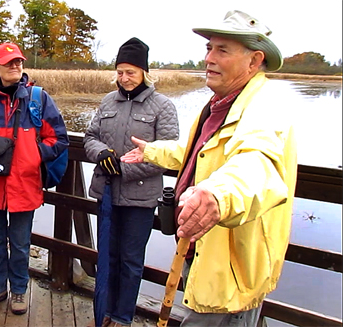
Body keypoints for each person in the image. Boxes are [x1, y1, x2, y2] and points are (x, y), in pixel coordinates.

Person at [121, 10, 297, 326]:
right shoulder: (221, 103)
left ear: (255, 61)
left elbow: (258, 164)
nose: (209, 59)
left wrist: (218, 195)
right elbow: (199, 154)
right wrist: (152, 151)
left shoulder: (265, 106)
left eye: (222, 50)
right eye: (208, 48)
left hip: (230, 268)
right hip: (205, 253)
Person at [0, 42, 69, 315]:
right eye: (8, 62)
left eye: (18, 61)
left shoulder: (37, 98)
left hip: (25, 186)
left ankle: (19, 291)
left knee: (20, 245)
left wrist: (32, 153)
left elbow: (59, 137)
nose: (15, 66)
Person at [84, 37, 179, 327]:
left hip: (140, 199)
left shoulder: (163, 107)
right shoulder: (107, 101)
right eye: (120, 72)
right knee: (107, 257)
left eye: (131, 72)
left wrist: (123, 170)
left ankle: (123, 318)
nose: (124, 78)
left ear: (144, 73)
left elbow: (166, 155)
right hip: (108, 195)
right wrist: (101, 154)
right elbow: (90, 137)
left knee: (130, 261)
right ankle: (105, 314)